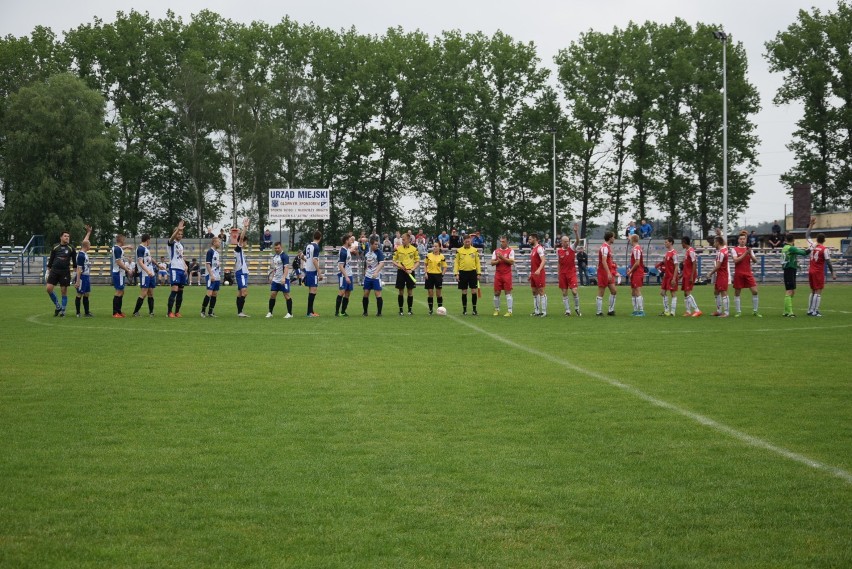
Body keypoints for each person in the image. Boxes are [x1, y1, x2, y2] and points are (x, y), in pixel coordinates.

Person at [806, 217, 836, 317]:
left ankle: (810, 310)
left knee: (813, 290)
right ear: (824, 240)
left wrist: (811, 224)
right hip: (818, 272)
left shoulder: (812, 245)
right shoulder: (824, 249)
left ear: (817, 239)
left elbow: (807, 235)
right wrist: (833, 272)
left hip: (810, 270)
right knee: (818, 291)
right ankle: (815, 311)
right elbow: (828, 262)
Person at [45, 229, 77, 317]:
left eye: (68, 236)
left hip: (65, 272)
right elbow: (51, 259)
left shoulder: (71, 248)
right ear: (61, 237)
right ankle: (57, 306)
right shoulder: (55, 247)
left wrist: (74, 273)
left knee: (63, 291)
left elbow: (75, 262)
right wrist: (47, 271)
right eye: (65, 236)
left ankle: (63, 310)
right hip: (54, 271)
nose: (67, 238)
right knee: (48, 289)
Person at [731, 230, 762, 317]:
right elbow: (735, 260)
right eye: (740, 239)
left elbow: (755, 261)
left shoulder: (749, 249)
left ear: (746, 240)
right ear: (738, 240)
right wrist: (745, 253)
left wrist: (750, 254)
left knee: (755, 291)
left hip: (748, 273)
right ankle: (738, 311)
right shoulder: (734, 249)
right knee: (737, 292)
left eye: (743, 239)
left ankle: (755, 311)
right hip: (739, 273)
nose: (742, 240)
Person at [780, 229, 810, 317]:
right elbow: (804, 253)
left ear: (786, 240)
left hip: (789, 270)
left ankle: (786, 311)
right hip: (789, 270)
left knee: (792, 291)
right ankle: (789, 312)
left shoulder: (785, 248)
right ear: (793, 240)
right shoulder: (791, 248)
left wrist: (796, 263)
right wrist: (811, 248)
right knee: (789, 291)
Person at [557, 223, 582, 316]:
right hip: (563, 274)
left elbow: (578, 241)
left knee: (574, 291)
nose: (567, 242)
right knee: (564, 292)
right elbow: (559, 262)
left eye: (568, 241)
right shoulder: (558, 251)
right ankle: (567, 310)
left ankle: (577, 308)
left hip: (571, 273)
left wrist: (576, 232)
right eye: (565, 241)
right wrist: (558, 274)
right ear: (562, 242)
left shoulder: (572, 248)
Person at [453, 234, 481, 316]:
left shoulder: (475, 250)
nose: (467, 243)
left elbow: (477, 262)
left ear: (470, 241)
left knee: (473, 291)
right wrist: (456, 274)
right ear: (463, 242)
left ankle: (474, 309)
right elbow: (456, 263)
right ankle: (464, 310)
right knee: (464, 291)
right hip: (462, 273)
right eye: (466, 242)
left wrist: (478, 273)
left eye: (469, 241)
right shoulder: (459, 251)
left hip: (472, 272)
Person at [393, 232, 420, 316]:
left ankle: (409, 310)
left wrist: (411, 270)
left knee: (410, 291)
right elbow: (393, 261)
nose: (402, 241)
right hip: (401, 271)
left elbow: (417, 262)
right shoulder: (398, 249)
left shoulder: (414, 249)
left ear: (408, 240)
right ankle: (401, 310)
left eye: (404, 239)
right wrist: (400, 266)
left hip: (410, 272)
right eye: (402, 239)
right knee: (400, 291)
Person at [266, 241, 293, 318]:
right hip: (276, 279)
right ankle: (270, 312)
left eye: (278, 248)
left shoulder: (285, 256)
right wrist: (272, 276)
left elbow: (286, 268)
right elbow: (276, 268)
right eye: (275, 248)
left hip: (284, 279)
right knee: (273, 295)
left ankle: (290, 313)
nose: (277, 249)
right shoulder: (275, 256)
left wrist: (284, 278)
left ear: (281, 247)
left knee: (286, 295)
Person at [132, 233, 157, 317]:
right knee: (144, 292)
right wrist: (147, 271)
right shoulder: (140, 249)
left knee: (151, 292)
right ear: (147, 240)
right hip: (144, 274)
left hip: (150, 273)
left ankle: (151, 312)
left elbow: (150, 258)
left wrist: (158, 265)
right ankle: (135, 312)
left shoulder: (146, 248)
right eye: (150, 240)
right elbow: (140, 262)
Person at [167, 220, 188, 318]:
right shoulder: (171, 243)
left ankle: (177, 311)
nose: (180, 235)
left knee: (181, 290)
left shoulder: (181, 245)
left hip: (181, 269)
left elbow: (181, 256)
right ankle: (169, 312)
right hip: (174, 268)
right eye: (178, 233)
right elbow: (171, 238)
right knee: (174, 289)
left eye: (181, 234)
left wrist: (185, 266)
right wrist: (177, 229)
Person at [706, 235, 731, 317]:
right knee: (716, 291)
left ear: (718, 242)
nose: (714, 244)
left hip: (722, 275)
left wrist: (710, 273)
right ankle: (719, 311)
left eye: (714, 242)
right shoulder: (724, 249)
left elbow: (718, 266)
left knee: (723, 292)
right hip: (721, 274)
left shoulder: (721, 253)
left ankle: (726, 313)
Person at [111, 234, 135, 318]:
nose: (125, 241)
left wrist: (127, 246)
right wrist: (127, 270)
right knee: (119, 291)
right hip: (118, 272)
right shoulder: (117, 249)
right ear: (120, 240)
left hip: (120, 273)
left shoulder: (117, 248)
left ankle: (119, 311)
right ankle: (115, 312)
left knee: (121, 291)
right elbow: (118, 262)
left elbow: (121, 248)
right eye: (124, 240)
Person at [490, 235, 515, 317]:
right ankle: (496, 310)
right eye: (501, 241)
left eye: (503, 241)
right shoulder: (496, 251)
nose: (502, 243)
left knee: (507, 292)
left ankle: (510, 311)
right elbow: (492, 263)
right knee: (496, 292)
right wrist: (498, 261)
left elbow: (511, 262)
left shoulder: (510, 251)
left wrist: (502, 258)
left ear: (507, 242)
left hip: (507, 274)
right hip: (498, 274)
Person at [362, 236, 387, 316]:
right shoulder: (366, 252)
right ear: (371, 244)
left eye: (377, 244)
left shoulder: (378, 252)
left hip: (376, 277)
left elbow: (382, 263)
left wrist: (376, 272)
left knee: (378, 294)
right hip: (368, 276)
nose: (377, 246)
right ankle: (365, 312)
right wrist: (365, 270)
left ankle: (379, 313)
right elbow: (365, 262)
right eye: (375, 244)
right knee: (366, 293)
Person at [73, 225, 94, 317]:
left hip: (86, 276)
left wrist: (88, 233)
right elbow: (79, 269)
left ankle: (86, 312)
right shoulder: (81, 256)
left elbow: (85, 241)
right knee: (79, 294)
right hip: (82, 277)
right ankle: (78, 312)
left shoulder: (84, 253)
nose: (90, 245)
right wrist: (77, 281)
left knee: (86, 294)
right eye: (89, 244)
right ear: (87, 246)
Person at [596, 231, 618, 316]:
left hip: (608, 272)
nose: (614, 238)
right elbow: (604, 261)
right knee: (601, 292)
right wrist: (608, 272)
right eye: (613, 237)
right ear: (610, 238)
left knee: (614, 291)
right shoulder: (604, 247)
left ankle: (611, 310)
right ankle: (599, 312)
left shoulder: (608, 247)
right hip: (603, 272)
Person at [680, 236, 702, 317]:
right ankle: (688, 311)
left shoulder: (691, 251)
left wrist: (692, 276)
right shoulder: (687, 251)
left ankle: (697, 310)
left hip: (690, 274)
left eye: (682, 243)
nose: (681, 244)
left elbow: (694, 263)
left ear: (685, 243)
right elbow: (687, 265)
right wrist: (681, 275)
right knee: (685, 293)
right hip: (686, 274)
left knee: (687, 292)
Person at [200, 236, 221, 317]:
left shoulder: (217, 253)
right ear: (214, 243)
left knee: (215, 294)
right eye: (218, 242)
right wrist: (211, 275)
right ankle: (202, 311)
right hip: (210, 275)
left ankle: (210, 312)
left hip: (217, 276)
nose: (219, 243)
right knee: (209, 293)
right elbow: (208, 264)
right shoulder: (210, 252)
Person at [233, 218, 251, 317]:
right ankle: (240, 312)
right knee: (244, 292)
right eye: (246, 242)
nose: (246, 244)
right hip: (241, 273)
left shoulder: (240, 251)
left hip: (242, 272)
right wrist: (245, 227)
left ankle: (240, 312)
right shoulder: (238, 248)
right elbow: (241, 238)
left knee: (240, 292)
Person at [424, 241, 447, 315]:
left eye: (436, 246)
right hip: (429, 275)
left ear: (439, 247)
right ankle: (430, 310)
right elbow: (425, 265)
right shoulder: (428, 255)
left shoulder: (442, 256)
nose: (435, 247)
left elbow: (445, 267)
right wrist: (425, 273)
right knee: (430, 293)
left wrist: (442, 275)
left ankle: (440, 309)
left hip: (438, 275)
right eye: (434, 246)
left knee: (438, 294)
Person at [303, 231, 323, 317]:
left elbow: (301, 256)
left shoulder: (308, 245)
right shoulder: (316, 247)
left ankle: (310, 311)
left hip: (308, 270)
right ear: (320, 238)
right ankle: (309, 312)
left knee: (311, 290)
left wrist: (307, 262)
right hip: (312, 271)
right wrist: (319, 272)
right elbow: (315, 260)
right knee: (313, 290)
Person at [335, 234, 356, 317]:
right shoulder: (343, 251)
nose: (352, 241)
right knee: (342, 292)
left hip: (349, 274)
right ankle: (337, 312)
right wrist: (346, 276)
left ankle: (343, 312)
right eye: (350, 240)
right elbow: (340, 266)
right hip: (343, 275)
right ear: (346, 241)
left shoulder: (347, 250)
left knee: (348, 293)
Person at [528, 232, 548, 316]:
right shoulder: (533, 249)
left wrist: (539, 270)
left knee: (541, 291)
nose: (528, 240)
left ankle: (543, 312)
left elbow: (543, 260)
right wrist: (531, 273)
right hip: (533, 273)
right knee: (534, 292)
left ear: (534, 239)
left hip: (539, 273)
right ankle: (536, 311)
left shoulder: (539, 248)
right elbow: (534, 263)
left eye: (530, 239)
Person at [626, 234, 645, 317]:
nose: (629, 240)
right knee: (633, 291)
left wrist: (630, 271)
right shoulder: (635, 248)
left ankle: (641, 310)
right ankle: (635, 310)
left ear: (633, 239)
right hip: (635, 272)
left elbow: (637, 263)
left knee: (637, 290)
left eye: (630, 239)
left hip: (637, 272)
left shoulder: (636, 249)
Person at [659, 237, 679, 316]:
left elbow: (676, 266)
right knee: (662, 292)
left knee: (673, 293)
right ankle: (666, 311)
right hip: (666, 276)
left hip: (671, 276)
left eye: (666, 242)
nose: (665, 243)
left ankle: (672, 312)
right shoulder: (667, 253)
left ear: (671, 243)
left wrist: (674, 278)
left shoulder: (674, 253)